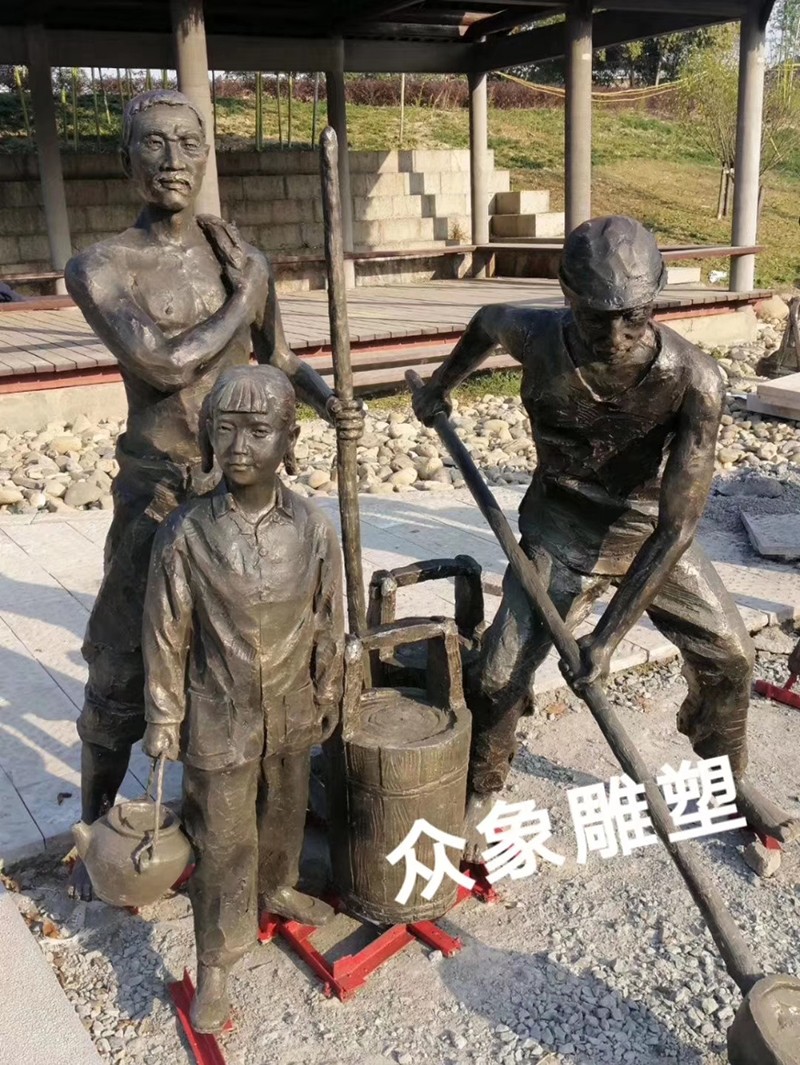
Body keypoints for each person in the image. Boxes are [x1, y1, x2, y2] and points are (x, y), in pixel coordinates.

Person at [412, 215, 799, 849]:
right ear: (567, 295)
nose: (616, 336)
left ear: (657, 296)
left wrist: (607, 637)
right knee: (497, 675)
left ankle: (729, 776)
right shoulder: (536, 336)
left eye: (633, 317)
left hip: (650, 540)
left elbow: (678, 525)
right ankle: (484, 783)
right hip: (559, 531)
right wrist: (439, 387)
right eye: (596, 319)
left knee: (732, 656)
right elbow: (484, 322)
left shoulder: (696, 380)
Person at [64, 90, 359, 898]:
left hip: (239, 495)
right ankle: (94, 835)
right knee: (120, 664)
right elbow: (164, 364)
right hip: (158, 497)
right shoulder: (103, 265)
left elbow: (277, 357)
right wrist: (244, 294)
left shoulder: (238, 257)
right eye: (153, 144)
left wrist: (326, 397)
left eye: (189, 144)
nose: (173, 161)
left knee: (239, 663)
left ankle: (235, 837)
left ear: (206, 156)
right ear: (126, 159)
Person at [142, 365, 344, 1034]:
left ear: (289, 439)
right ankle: (217, 958)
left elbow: (328, 615)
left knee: (284, 812)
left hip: (290, 707)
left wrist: (330, 684)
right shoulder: (187, 533)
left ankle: (278, 886)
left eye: (258, 431)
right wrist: (163, 713)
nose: (238, 446)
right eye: (223, 429)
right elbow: (165, 630)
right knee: (223, 841)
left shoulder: (311, 526)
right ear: (206, 437)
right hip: (218, 714)